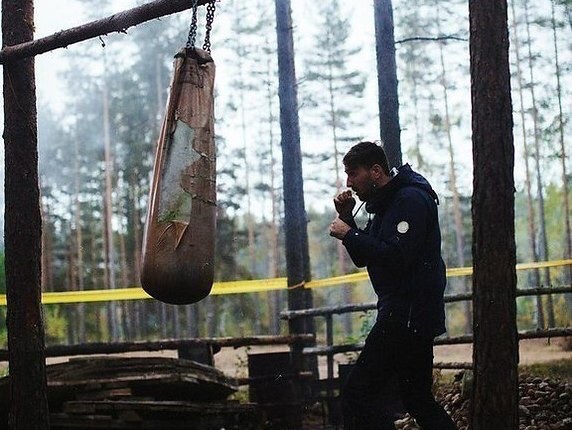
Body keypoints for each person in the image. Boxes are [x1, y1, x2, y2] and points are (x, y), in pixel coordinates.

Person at [329, 141, 457, 430]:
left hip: (406, 315)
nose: (349, 182)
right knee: (417, 399)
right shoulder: (386, 204)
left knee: (358, 394)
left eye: (353, 173)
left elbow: (396, 257)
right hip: (408, 314)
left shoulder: (409, 200)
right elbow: (366, 256)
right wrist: (348, 218)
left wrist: (349, 233)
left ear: (375, 171)